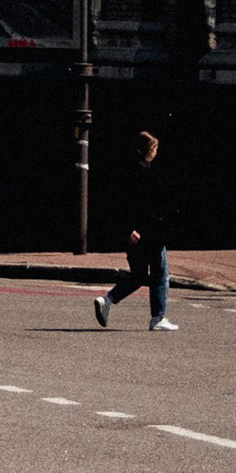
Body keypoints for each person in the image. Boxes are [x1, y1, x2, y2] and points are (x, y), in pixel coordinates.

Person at [96, 127, 178, 333]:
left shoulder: (126, 170)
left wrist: (127, 229)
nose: (156, 152)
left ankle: (107, 300)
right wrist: (139, 228)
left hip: (133, 233)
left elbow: (119, 204)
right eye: (155, 148)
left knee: (139, 275)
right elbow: (143, 205)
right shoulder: (143, 172)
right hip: (149, 232)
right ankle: (157, 318)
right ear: (148, 149)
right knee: (160, 273)